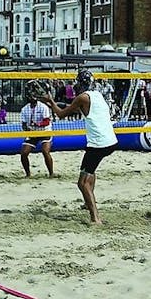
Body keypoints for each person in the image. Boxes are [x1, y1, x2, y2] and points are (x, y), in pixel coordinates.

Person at [38, 70, 118, 225]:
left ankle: (95, 218)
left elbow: (61, 114)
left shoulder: (82, 97)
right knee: (90, 171)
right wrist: (53, 102)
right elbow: (75, 108)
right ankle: (89, 203)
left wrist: (51, 101)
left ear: (80, 84)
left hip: (98, 144)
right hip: (111, 141)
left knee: (82, 182)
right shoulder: (97, 95)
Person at [18, 91, 55, 178]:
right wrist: (28, 130)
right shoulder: (24, 109)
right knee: (24, 153)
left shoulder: (43, 107)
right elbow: (23, 125)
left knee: (45, 151)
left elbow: (46, 121)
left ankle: (51, 173)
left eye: (34, 96)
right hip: (33, 132)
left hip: (45, 131)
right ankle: (28, 174)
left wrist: (37, 124)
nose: (33, 98)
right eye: (31, 96)